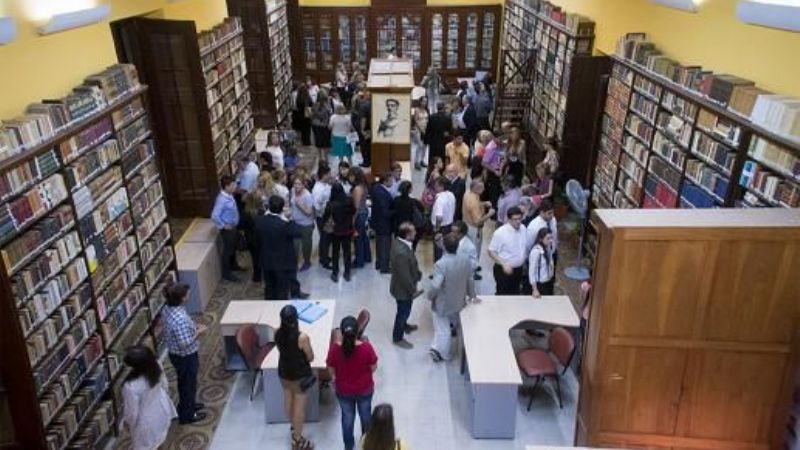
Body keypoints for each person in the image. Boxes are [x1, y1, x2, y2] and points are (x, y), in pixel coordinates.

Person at [326, 316, 378, 450]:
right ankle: (367, 444)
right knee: (366, 417)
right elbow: (373, 367)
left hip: (344, 391)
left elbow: (330, 370)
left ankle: (349, 446)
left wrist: (335, 379)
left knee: (347, 418)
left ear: (342, 333)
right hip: (365, 390)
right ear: (357, 332)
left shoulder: (335, 349)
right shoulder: (367, 348)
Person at [428, 233, 476, 362]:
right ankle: (435, 347)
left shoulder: (441, 264)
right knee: (449, 324)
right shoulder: (465, 259)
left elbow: (436, 285)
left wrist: (430, 296)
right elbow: (470, 279)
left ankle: (444, 354)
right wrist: (473, 296)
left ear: (444, 246)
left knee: (442, 329)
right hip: (459, 299)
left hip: (443, 303)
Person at [163, 282, 207, 425]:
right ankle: (188, 415)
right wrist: (199, 332)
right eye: (187, 294)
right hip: (185, 356)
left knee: (185, 382)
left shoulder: (169, 309)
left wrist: (193, 326)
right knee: (188, 384)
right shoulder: (180, 320)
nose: (189, 295)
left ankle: (188, 405)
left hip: (176, 353)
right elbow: (184, 343)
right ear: (182, 298)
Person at [121, 345, 177, 449]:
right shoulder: (156, 366)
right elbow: (165, 385)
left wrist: (128, 423)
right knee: (160, 440)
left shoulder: (130, 386)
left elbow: (132, 413)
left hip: (145, 423)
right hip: (162, 409)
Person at [275, 305, 315, 450]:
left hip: (284, 372)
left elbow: (281, 349)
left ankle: (293, 426)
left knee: (288, 399)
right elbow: (310, 357)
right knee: (299, 408)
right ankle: (297, 440)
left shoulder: (277, 333)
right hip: (299, 376)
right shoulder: (302, 338)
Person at [256, 195, 310, 300]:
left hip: (266, 260)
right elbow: (299, 232)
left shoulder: (259, 221)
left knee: (269, 286)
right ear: (281, 209)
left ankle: (269, 303)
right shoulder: (284, 224)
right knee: (282, 289)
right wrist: (288, 219)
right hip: (283, 262)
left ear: (269, 206)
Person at [389, 222, 421, 349]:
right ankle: (397, 338)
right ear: (407, 235)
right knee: (403, 312)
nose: (416, 233)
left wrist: (417, 272)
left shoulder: (401, 242)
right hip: (403, 290)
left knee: (404, 310)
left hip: (402, 287)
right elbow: (405, 277)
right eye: (413, 231)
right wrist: (413, 291)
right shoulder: (401, 253)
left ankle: (405, 325)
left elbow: (410, 263)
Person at [488, 206, 528, 295]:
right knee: (503, 294)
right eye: (515, 219)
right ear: (509, 220)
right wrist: (503, 264)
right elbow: (491, 251)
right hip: (504, 271)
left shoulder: (523, 228)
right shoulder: (500, 233)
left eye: (520, 219)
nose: (518, 221)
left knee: (515, 293)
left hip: (518, 269)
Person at [211, 175, 241, 282]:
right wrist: (223, 225)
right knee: (228, 251)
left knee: (233, 248)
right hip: (227, 230)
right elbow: (214, 215)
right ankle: (226, 273)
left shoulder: (229, 195)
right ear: (227, 186)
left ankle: (234, 265)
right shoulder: (221, 200)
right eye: (233, 185)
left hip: (233, 227)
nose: (235, 186)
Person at [324, 183, 356, 282]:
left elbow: (326, 217)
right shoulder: (349, 201)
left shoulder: (330, 204)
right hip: (347, 230)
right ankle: (347, 272)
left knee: (335, 252)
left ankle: (335, 273)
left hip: (335, 231)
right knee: (347, 252)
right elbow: (354, 211)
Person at [462, 180, 494, 262]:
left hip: (467, 224)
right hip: (474, 229)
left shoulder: (468, 193)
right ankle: (474, 267)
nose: (484, 189)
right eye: (482, 188)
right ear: (476, 188)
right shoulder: (473, 202)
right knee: (475, 250)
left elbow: (472, 205)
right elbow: (477, 221)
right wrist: (489, 214)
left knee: (469, 248)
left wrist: (483, 203)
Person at [371, 172, 395, 274]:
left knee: (379, 244)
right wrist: (395, 211)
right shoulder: (383, 194)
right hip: (384, 223)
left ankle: (379, 263)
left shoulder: (376, 188)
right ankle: (384, 267)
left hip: (377, 222)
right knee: (385, 245)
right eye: (391, 181)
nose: (392, 183)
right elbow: (385, 212)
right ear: (385, 181)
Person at [290, 175, 315, 272]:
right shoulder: (292, 191)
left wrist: (299, 206)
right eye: (295, 183)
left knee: (306, 246)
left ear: (303, 185)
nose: (296, 186)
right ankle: (294, 263)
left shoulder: (307, 196)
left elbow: (309, 212)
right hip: (295, 223)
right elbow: (291, 204)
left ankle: (307, 262)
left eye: (299, 184)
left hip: (306, 225)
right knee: (295, 245)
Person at [527, 198, 558, 270]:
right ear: (541, 212)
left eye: (553, 212)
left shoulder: (553, 220)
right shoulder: (534, 226)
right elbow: (529, 244)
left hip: (552, 252)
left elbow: (555, 235)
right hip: (540, 257)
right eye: (549, 213)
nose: (552, 215)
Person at [349, 167, 372, 268]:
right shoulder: (363, 185)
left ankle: (359, 261)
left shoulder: (357, 188)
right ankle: (367, 257)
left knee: (358, 238)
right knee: (364, 236)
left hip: (359, 214)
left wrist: (352, 221)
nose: (349, 178)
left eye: (351, 176)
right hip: (364, 212)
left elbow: (356, 207)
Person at [241, 192, 265, 282]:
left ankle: (257, 276)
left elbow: (241, 225)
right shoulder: (262, 212)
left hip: (250, 239)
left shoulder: (245, 213)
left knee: (255, 259)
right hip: (261, 239)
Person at [430, 176, 456, 262]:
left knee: (438, 249)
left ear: (442, 187)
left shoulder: (440, 199)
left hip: (440, 228)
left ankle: (438, 267)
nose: (434, 187)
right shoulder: (451, 195)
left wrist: (437, 228)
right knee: (446, 248)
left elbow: (439, 216)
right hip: (449, 225)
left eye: (436, 185)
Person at [392, 180, 423, 250]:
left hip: (398, 227)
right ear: (409, 190)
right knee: (410, 247)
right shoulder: (413, 202)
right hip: (409, 227)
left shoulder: (395, 200)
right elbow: (422, 210)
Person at [312, 165, 333, 269]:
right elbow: (316, 205)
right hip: (322, 217)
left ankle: (323, 256)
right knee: (325, 238)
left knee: (326, 238)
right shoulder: (317, 189)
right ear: (324, 175)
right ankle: (324, 261)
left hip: (327, 215)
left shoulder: (326, 185)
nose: (330, 176)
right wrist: (324, 210)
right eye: (329, 174)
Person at [529, 227, 555, 297]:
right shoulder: (536, 251)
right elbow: (532, 271)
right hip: (540, 284)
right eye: (548, 238)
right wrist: (535, 289)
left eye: (551, 238)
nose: (550, 240)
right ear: (541, 239)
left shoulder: (548, 248)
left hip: (548, 281)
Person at [424, 102, 452, 167]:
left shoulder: (432, 117)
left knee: (432, 156)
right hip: (443, 141)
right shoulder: (447, 118)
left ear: (437, 108)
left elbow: (428, 129)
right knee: (442, 156)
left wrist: (426, 140)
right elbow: (450, 131)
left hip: (433, 140)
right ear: (444, 108)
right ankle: (441, 169)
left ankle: (431, 168)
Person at [311, 92, 333, 162]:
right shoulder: (327, 105)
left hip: (316, 125)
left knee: (319, 142)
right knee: (325, 143)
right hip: (324, 125)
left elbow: (313, 114)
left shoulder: (315, 105)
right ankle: (325, 158)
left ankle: (320, 157)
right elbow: (326, 114)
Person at [412, 96, 429, 170]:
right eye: (423, 101)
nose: (424, 103)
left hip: (426, 129)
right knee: (419, 146)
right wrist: (421, 129)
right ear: (420, 102)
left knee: (425, 146)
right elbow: (415, 120)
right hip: (418, 130)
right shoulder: (417, 109)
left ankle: (422, 160)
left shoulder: (426, 110)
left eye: (426, 101)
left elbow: (428, 119)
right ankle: (416, 162)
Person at [357, 90, 372, 168]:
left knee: (364, 146)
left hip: (366, 130)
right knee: (370, 146)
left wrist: (362, 129)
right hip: (372, 129)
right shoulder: (374, 104)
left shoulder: (364, 106)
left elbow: (363, 118)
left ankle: (366, 162)